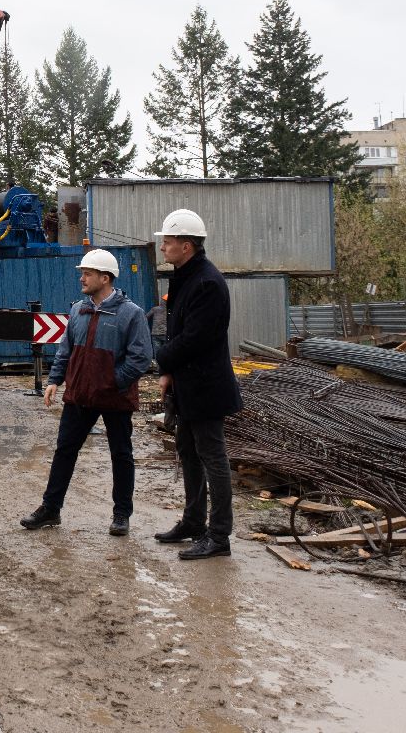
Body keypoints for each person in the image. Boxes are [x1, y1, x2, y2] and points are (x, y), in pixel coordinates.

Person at [21, 248, 152, 536]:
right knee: (65, 451)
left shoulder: (131, 314)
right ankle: (50, 509)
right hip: (80, 396)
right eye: (82, 273)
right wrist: (54, 380)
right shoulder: (78, 310)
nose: (82, 278)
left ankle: (121, 515)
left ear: (105, 278)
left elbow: (141, 357)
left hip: (115, 398)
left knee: (121, 454)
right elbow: (65, 350)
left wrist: (114, 381)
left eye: (88, 273)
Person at [151, 209, 239, 560]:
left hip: (206, 386)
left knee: (212, 457)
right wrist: (170, 371)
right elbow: (180, 333)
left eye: (167, 242)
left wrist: (162, 358)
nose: (163, 248)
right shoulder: (187, 276)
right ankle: (193, 522)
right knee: (188, 451)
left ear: (186, 246)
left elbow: (194, 339)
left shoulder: (207, 283)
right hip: (189, 384)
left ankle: (219, 536)